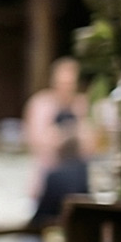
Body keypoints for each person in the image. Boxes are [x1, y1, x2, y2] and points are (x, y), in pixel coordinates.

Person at [24, 58, 92, 189]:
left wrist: (60, 135)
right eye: (63, 83)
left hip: (76, 177)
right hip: (47, 177)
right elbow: (35, 140)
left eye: (70, 83)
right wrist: (70, 134)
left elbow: (90, 143)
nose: (66, 88)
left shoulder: (81, 104)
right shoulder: (40, 104)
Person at [31, 134, 90, 230]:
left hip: (60, 232)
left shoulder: (55, 176)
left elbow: (40, 217)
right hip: (88, 230)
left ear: (60, 151)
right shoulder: (90, 171)